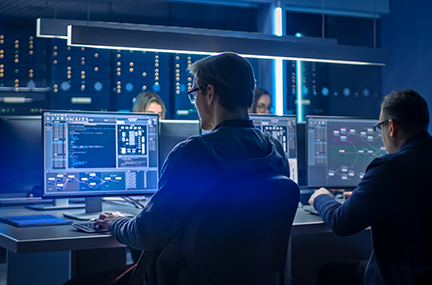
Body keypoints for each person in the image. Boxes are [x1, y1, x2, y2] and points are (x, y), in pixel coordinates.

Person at [65, 52, 290, 285]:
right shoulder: (275, 152)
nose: (195, 103)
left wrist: (116, 222)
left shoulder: (192, 153)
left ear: (210, 93)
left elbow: (147, 235)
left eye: (195, 93)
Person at [309, 89, 432, 285]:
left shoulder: (389, 167)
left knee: (329, 272)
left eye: (379, 127)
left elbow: (341, 222)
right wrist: (363, 197)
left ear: (391, 127)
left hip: (400, 276)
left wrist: (320, 197)